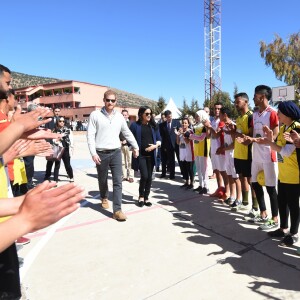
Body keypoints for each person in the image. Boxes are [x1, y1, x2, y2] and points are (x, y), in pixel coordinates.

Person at [87, 90, 139, 221]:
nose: (110, 102)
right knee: (102, 179)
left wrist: (136, 146)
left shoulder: (119, 117)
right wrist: (93, 153)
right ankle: (104, 197)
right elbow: (90, 135)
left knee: (118, 181)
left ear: (116, 102)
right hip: (101, 153)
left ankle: (117, 210)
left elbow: (126, 133)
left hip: (116, 151)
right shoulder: (95, 115)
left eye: (113, 100)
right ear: (103, 100)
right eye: (108, 100)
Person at [257, 101, 300, 245]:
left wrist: (270, 143)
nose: (278, 115)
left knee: (293, 206)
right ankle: (283, 228)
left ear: (288, 113)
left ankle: (294, 234)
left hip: (294, 175)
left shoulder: (296, 128)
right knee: (282, 203)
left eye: (280, 112)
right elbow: (279, 148)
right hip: (283, 173)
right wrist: (270, 139)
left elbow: (287, 152)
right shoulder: (282, 128)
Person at [241, 85, 279, 230]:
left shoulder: (272, 113)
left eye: (255, 95)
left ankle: (274, 218)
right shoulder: (255, 114)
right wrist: (246, 138)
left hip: (268, 156)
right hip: (255, 155)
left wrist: (270, 137)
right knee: (255, 184)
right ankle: (262, 213)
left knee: (270, 188)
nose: (253, 98)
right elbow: (252, 135)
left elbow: (274, 135)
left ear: (262, 97)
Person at [232, 93, 258, 215]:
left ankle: (256, 207)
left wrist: (237, 134)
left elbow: (251, 137)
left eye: (238, 102)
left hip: (248, 154)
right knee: (242, 178)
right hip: (238, 153)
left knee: (251, 180)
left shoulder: (251, 116)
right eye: (235, 102)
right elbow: (237, 134)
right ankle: (245, 202)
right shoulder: (238, 118)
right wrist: (232, 131)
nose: (236, 104)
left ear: (246, 102)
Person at [130, 106, 161, 207]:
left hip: (151, 155)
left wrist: (155, 146)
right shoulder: (135, 125)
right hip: (141, 155)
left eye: (150, 113)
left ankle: (146, 197)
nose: (149, 115)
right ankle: (141, 196)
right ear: (141, 114)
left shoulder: (153, 126)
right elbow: (129, 138)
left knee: (149, 178)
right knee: (144, 176)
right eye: (146, 114)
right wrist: (133, 148)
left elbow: (159, 139)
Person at [217, 107, 242, 207]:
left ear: (225, 115)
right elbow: (226, 143)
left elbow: (234, 144)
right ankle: (232, 196)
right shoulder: (224, 127)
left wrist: (223, 149)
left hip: (233, 154)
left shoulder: (233, 126)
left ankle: (239, 198)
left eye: (220, 114)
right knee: (229, 176)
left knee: (236, 177)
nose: (219, 115)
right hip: (227, 154)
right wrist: (221, 148)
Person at [204, 102, 229, 199]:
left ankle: (227, 192)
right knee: (216, 170)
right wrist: (207, 127)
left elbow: (217, 134)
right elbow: (208, 136)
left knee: (223, 171)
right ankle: (220, 190)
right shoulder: (213, 120)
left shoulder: (222, 121)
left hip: (221, 149)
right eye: (215, 109)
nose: (217, 110)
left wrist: (209, 127)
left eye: (219, 109)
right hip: (213, 148)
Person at [45, 117, 74, 185]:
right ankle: (55, 180)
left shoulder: (68, 130)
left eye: (63, 121)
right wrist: (56, 140)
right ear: (57, 122)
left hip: (66, 149)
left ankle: (71, 177)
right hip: (57, 148)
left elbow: (71, 140)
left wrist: (72, 149)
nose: (62, 122)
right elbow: (52, 139)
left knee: (67, 165)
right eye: (60, 121)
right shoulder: (54, 130)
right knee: (57, 165)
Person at [190, 110, 211, 194]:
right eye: (195, 116)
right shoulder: (196, 125)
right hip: (197, 148)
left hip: (203, 148)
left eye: (197, 116)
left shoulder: (205, 124)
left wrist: (191, 136)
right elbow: (196, 137)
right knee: (198, 168)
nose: (196, 118)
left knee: (204, 169)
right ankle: (201, 185)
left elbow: (202, 137)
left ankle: (206, 186)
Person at [159, 110, 181, 179]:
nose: (170, 118)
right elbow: (162, 136)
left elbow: (180, 131)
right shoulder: (162, 125)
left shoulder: (176, 122)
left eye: (171, 116)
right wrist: (163, 146)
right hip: (167, 145)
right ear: (165, 117)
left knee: (179, 159)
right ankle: (164, 174)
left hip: (176, 144)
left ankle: (182, 173)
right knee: (168, 160)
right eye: (168, 117)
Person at [175, 117, 194, 189]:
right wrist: (177, 134)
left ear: (188, 124)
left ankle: (191, 183)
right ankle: (186, 181)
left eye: (185, 123)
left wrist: (183, 133)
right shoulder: (181, 131)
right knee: (184, 167)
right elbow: (177, 143)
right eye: (183, 123)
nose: (184, 124)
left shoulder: (190, 132)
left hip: (189, 152)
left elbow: (187, 141)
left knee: (190, 168)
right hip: (182, 151)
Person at [120, 109, 134, 182]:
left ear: (128, 115)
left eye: (125, 115)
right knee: (122, 161)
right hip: (121, 145)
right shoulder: (119, 123)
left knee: (130, 161)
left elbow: (133, 135)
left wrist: (127, 140)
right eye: (123, 115)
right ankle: (124, 176)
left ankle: (130, 176)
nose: (124, 116)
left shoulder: (131, 124)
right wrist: (119, 140)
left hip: (129, 146)